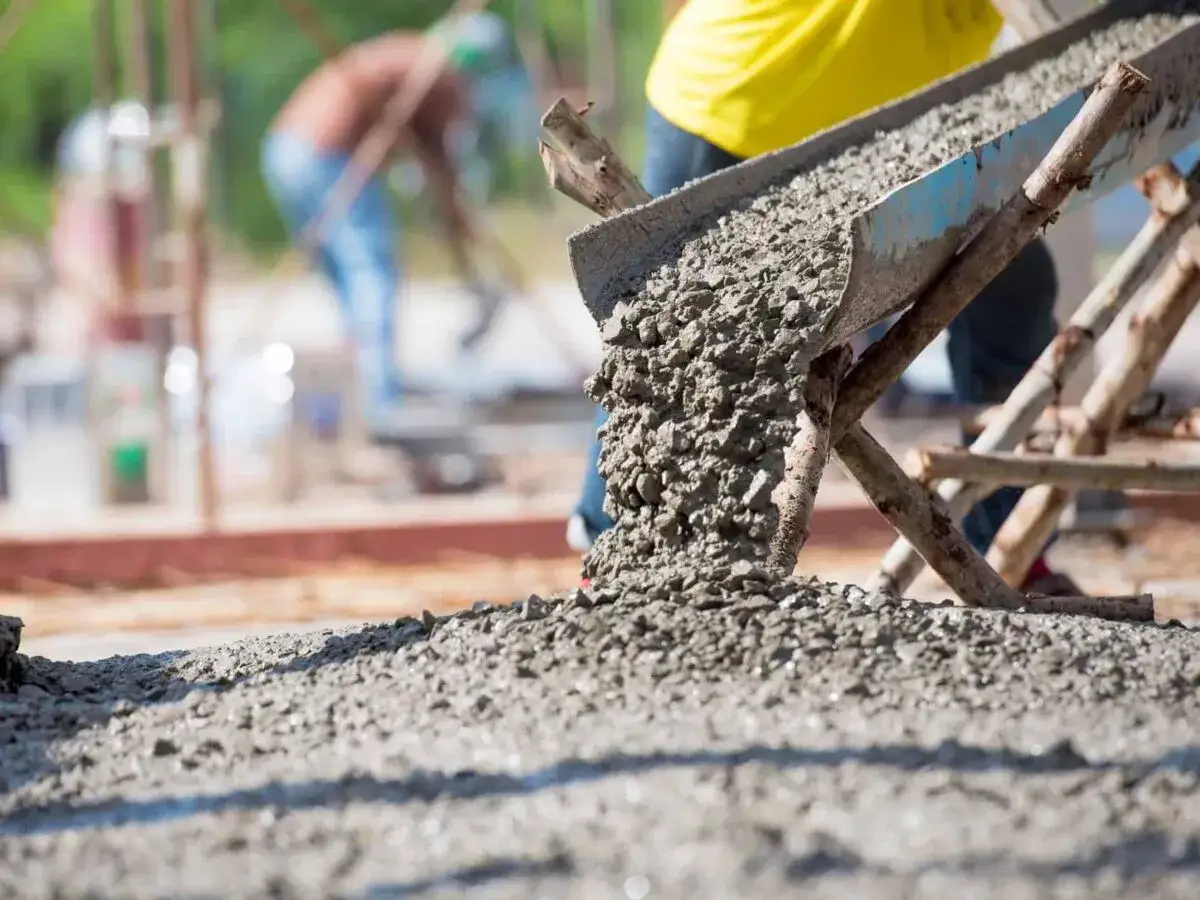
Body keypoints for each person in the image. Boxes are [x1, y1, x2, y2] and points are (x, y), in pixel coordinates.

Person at [567, 0, 1079, 596]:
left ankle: (1014, 546)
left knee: (1011, 282)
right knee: (677, 327)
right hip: (738, 103)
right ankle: (618, 558)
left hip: (891, 128)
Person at [260, 14, 511, 432]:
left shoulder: (408, 58)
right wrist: (464, 241)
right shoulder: (438, 75)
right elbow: (442, 167)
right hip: (326, 155)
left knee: (348, 282)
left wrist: (457, 231)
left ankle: (362, 386)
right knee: (371, 270)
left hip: (285, 151)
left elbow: (435, 166)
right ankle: (379, 401)